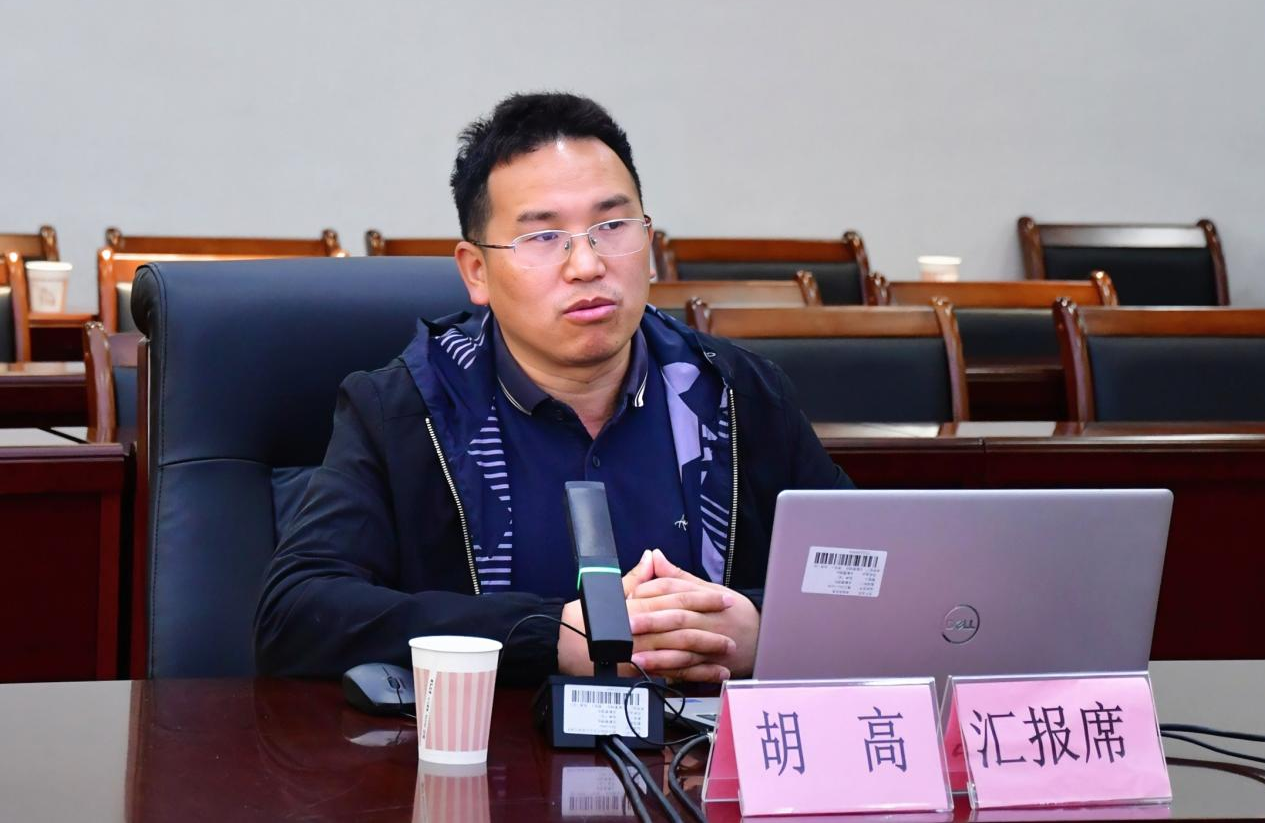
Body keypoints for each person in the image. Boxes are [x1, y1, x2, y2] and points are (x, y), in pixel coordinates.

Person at [255, 92, 852, 685]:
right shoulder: (406, 411)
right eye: (542, 237)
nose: (587, 265)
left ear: (648, 243)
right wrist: (551, 637)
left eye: (611, 226)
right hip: (491, 744)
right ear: (476, 271)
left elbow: (864, 577)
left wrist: (766, 628)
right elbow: (295, 617)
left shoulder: (736, 393)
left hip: (699, 745)